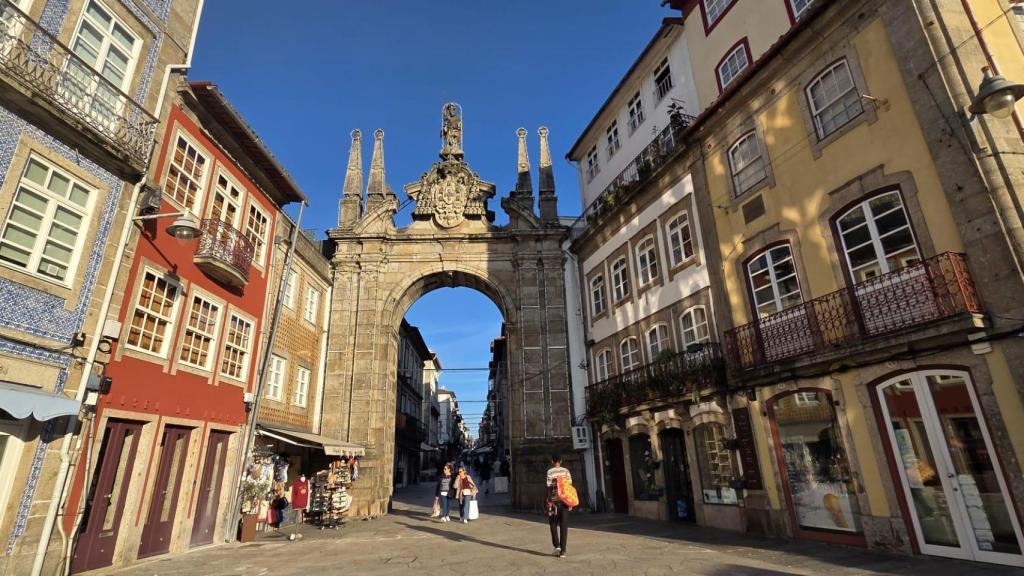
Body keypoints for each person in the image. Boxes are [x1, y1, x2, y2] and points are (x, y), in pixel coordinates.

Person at [546, 454, 571, 558]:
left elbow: (548, 488)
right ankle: (563, 551)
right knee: (564, 526)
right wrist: (570, 502)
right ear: (561, 461)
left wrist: (549, 500)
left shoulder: (550, 472)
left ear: (552, 461)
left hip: (554, 502)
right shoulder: (566, 471)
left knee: (552, 524)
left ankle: (557, 546)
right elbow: (569, 487)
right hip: (564, 502)